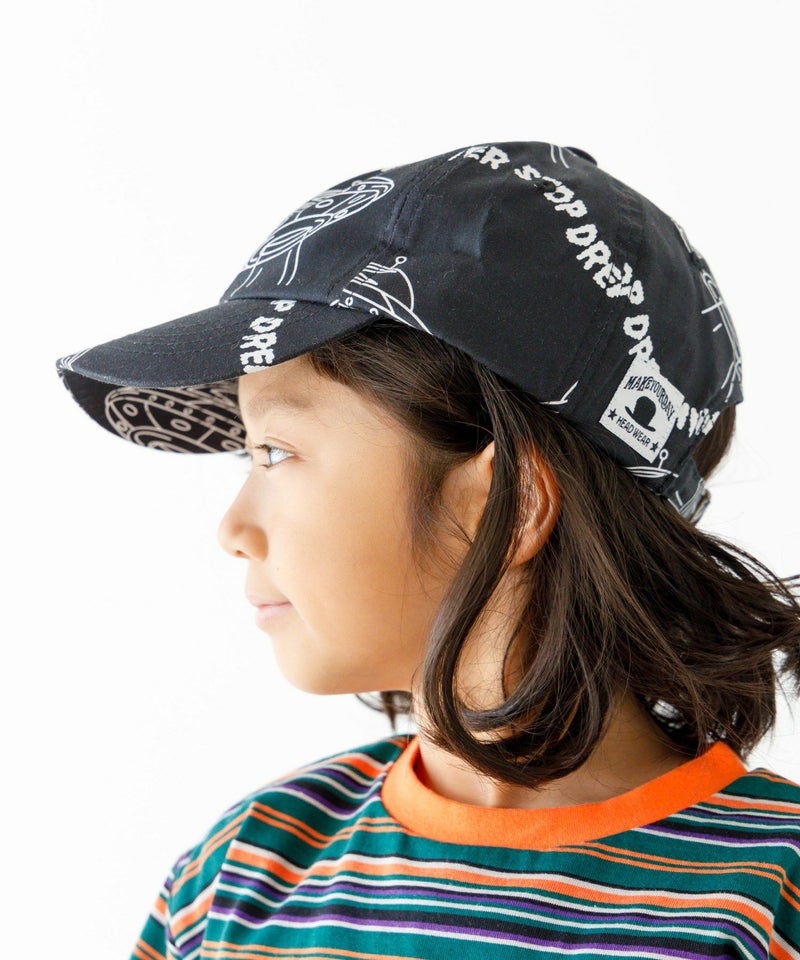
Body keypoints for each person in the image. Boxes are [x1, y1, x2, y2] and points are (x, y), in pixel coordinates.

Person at [56, 140, 800, 960]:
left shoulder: (770, 898)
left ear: (507, 504)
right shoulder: (238, 874)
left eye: (275, 452)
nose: (233, 529)